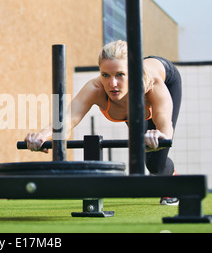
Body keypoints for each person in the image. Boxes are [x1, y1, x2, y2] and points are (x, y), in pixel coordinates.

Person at [25, 40, 182, 205]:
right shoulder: (95, 88)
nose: (112, 84)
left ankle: (173, 180)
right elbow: (67, 120)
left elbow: (164, 124)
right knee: (148, 152)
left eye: (120, 75)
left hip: (167, 78)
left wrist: (160, 133)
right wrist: (42, 135)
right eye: (105, 75)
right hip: (134, 106)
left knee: (155, 164)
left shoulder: (153, 84)